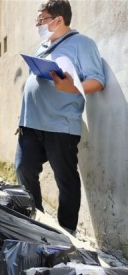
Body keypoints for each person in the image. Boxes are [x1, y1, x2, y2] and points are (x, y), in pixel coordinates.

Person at [15, 0, 105, 235]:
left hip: (61, 125)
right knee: (23, 169)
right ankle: (37, 223)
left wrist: (72, 88)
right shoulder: (42, 45)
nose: (37, 23)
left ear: (58, 20)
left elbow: (97, 80)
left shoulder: (82, 44)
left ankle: (67, 232)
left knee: (65, 179)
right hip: (30, 123)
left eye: (41, 19)